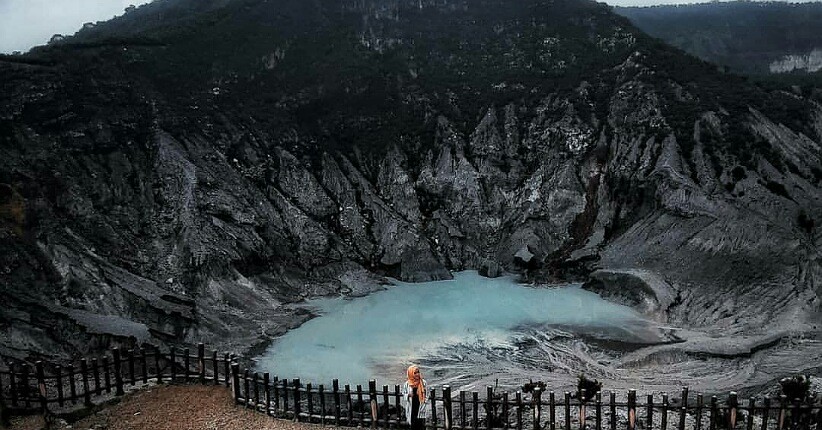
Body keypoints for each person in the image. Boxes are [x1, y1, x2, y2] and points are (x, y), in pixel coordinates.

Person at [403, 365, 427, 430]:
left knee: (421, 423)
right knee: (413, 422)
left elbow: (427, 394)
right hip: (412, 405)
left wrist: (424, 401)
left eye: (418, 372)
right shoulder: (407, 384)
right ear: (411, 374)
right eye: (415, 373)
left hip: (420, 404)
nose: (417, 374)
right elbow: (404, 394)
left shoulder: (423, 382)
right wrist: (408, 395)